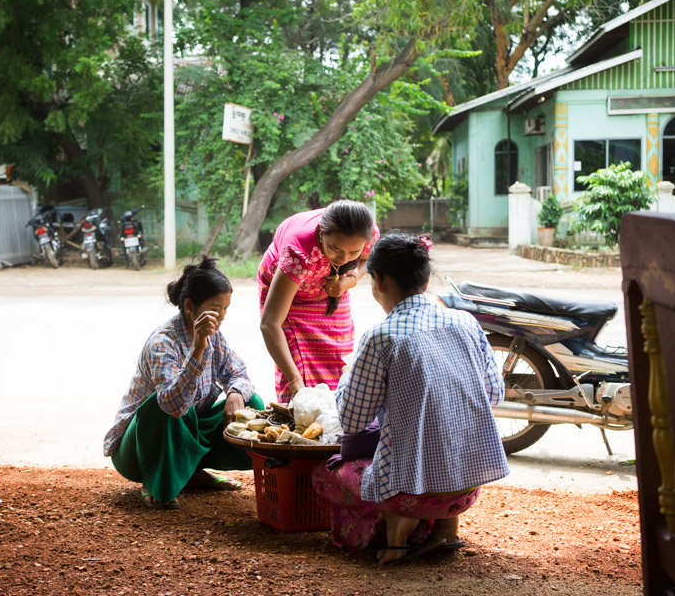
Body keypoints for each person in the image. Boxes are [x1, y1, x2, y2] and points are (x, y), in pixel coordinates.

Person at [312, 233, 510, 565]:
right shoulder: (465, 321)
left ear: (379, 280)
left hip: (411, 496)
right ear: (425, 278)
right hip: (467, 489)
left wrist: (347, 377)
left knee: (326, 472)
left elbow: (353, 420)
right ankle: (445, 530)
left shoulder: (381, 337)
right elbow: (494, 394)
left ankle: (397, 537)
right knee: (429, 448)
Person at [104, 256, 264, 510]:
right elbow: (172, 406)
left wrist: (235, 393)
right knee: (166, 407)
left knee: (251, 403)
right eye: (215, 307)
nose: (222, 316)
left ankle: (191, 474)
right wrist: (198, 349)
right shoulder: (162, 343)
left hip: (182, 434)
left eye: (226, 308)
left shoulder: (216, 336)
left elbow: (240, 373)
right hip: (137, 451)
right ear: (189, 305)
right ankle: (154, 481)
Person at [258, 200, 379, 403]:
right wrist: (295, 382)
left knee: (337, 357)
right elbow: (270, 324)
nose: (343, 259)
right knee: (296, 367)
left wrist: (350, 280)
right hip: (290, 296)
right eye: (335, 249)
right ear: (321, 233)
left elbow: (368, 259)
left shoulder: (367, 233)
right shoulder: (297, 251)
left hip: (332, 287)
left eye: (353, 253)